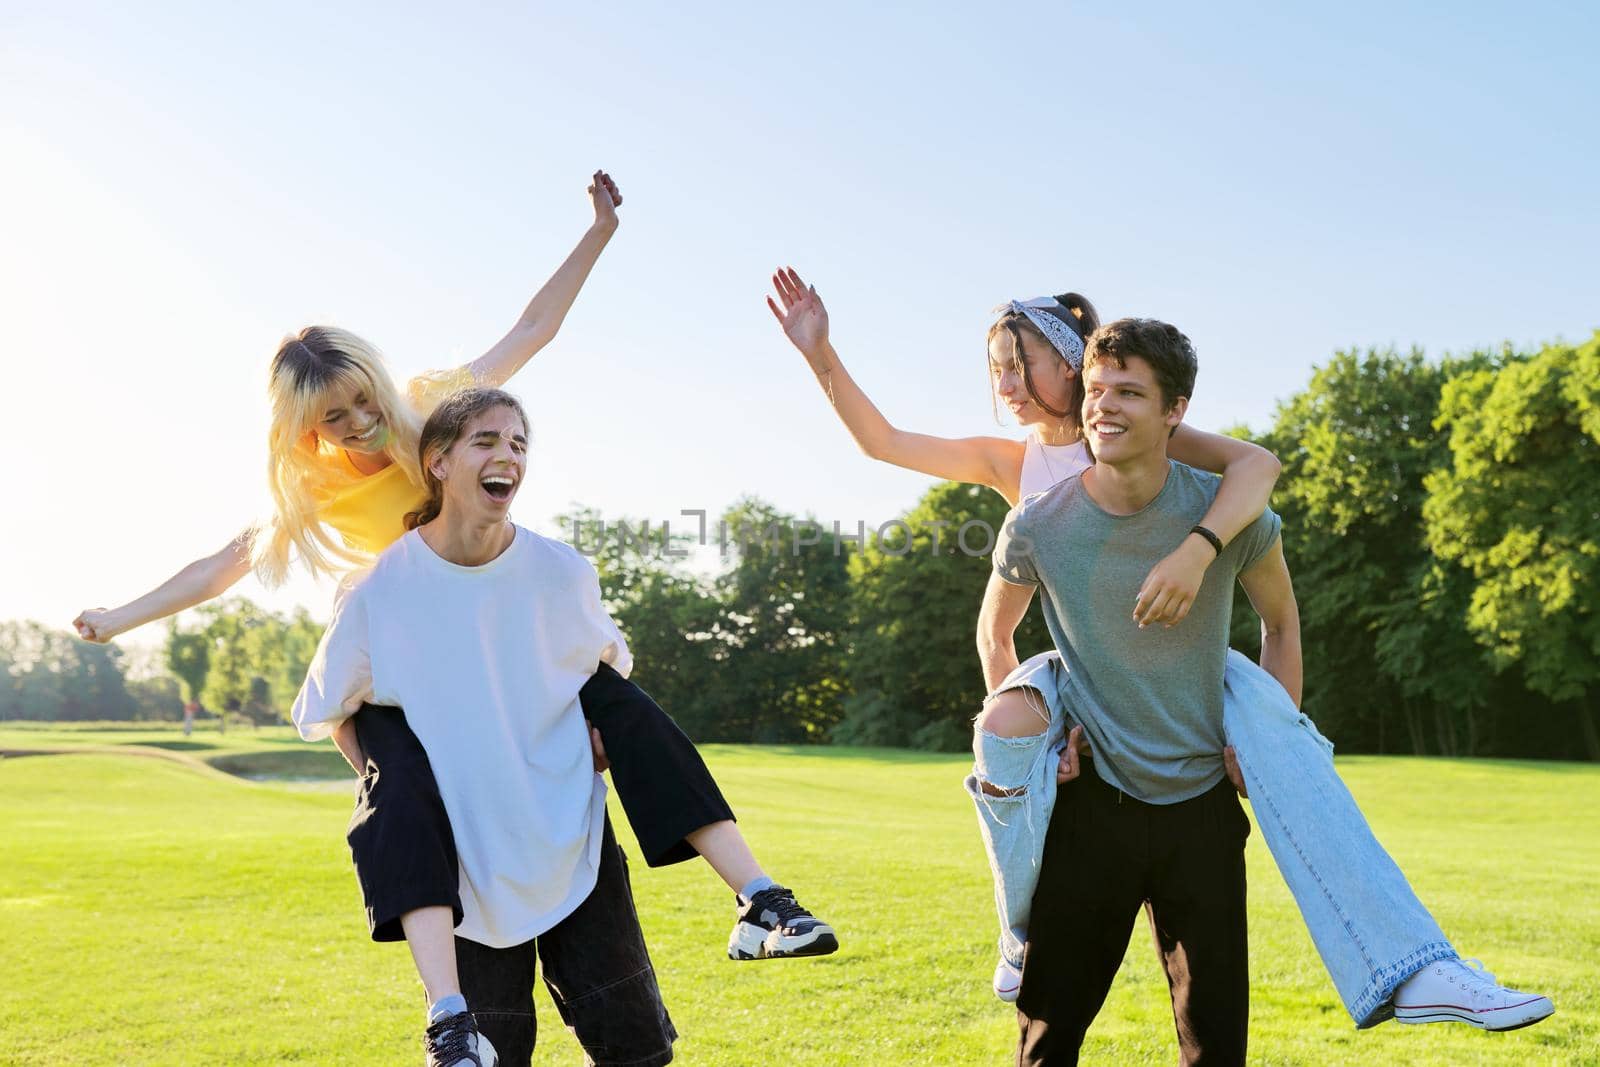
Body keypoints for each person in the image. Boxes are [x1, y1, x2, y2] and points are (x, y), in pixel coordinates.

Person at [767, 268, 1553, 1032]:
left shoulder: (1140, 419)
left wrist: (1200, 549)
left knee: (1286, 741)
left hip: (1190, 673)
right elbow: (883, 444)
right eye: (994, 369)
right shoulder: (1018, 472)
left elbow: (1259, 467)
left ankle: (1413, 965)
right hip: (1082, 676)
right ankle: (1019, 926)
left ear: (1075, 362)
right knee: (1002, 726)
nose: (1004, 383)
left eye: (1019, 363)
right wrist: (818, 351)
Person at [294, 388, 676, 1066]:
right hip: (465, 875)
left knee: (636, 1050)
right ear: (436, 462)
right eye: (487, 440)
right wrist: (409, 793)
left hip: (572, 849)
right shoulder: (382, 590)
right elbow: (331, 711)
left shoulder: (557, 571)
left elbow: (604, 683)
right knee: (490, 1057)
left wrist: (588, 742)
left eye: (519, 443)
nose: (507, 456)